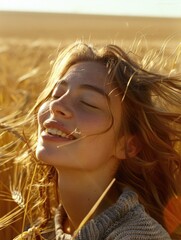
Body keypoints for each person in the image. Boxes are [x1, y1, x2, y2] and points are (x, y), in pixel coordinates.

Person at [1, 41, 181, 240]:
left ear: (128, 145)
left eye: (87, 103)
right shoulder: (44, 229)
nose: (56, 105)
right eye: (56, 94)